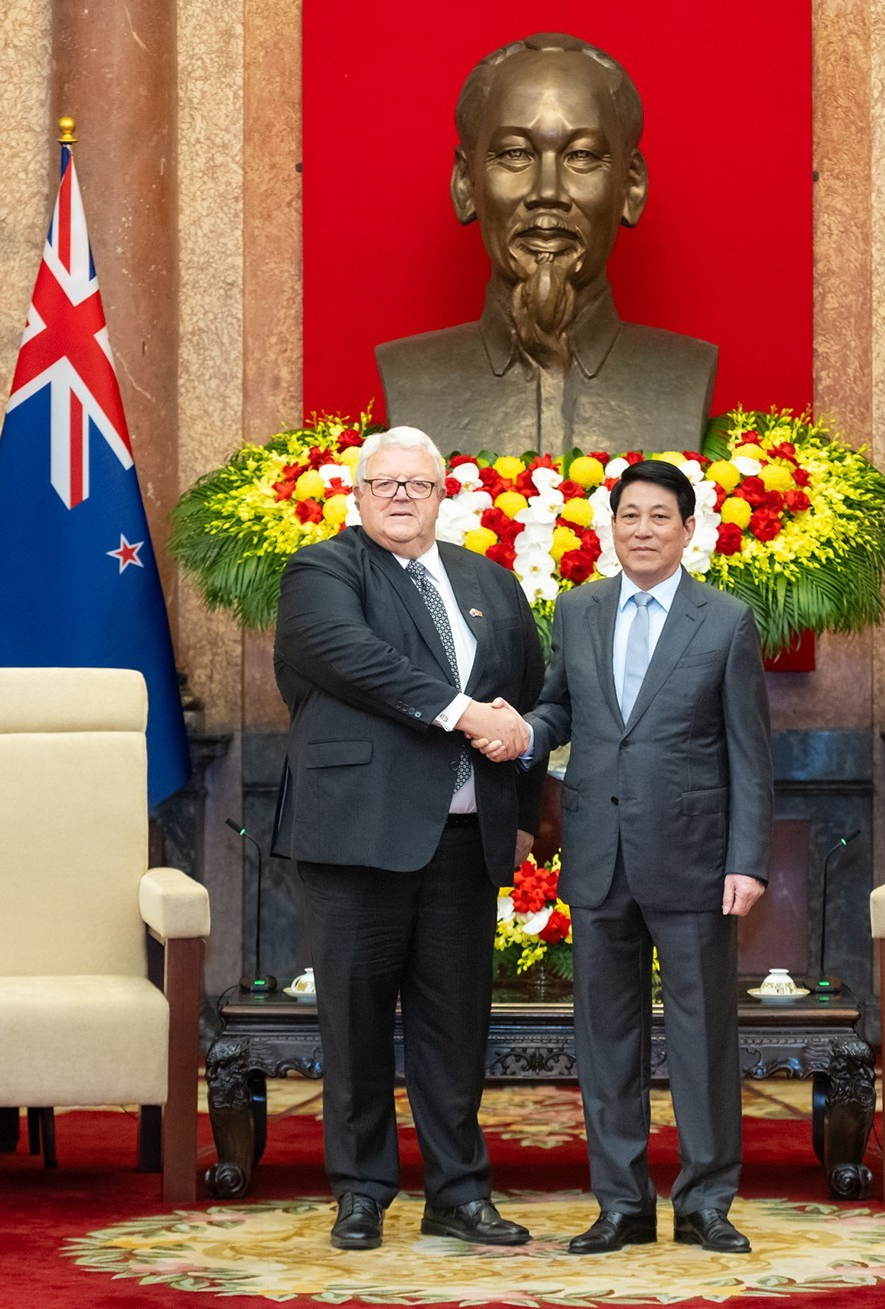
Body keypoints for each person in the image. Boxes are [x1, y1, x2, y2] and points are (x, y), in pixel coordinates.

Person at [476, 457, 772, 1254]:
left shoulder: (725, 620)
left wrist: (747, 860)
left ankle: (706, 1200)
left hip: (696, 857)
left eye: (659, 517)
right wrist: (521, 730)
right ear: (612, 527)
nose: (643, 530)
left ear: (688, 529)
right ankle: (622, 1204)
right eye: (629, 516)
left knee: (702, 1036)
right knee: (605, 1039)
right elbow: (560, 710)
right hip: (599, 856)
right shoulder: (578, 610)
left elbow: (750, 752)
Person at [272, 426, 543, 1251]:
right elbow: (354, 659)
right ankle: (360, 1191)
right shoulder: (323, 571)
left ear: (440, 495)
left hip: (464, 843)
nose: (399, 496)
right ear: (356, 496)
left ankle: (459, 1193)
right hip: (355, 838)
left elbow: (525, 698)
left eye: (415, 485)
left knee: (455, 1028)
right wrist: (463, 712)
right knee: (353, 1026)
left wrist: (524, 814)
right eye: (382, 484)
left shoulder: (491, 583)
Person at [376, 32, 716, 455]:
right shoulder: (410, 374)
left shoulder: (687, 371)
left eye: (582, 155)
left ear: (630, 187)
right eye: (515, 154)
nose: (548, 191)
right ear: (466, 184)